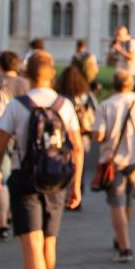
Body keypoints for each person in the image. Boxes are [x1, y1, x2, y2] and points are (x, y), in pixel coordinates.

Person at [0, 52, 82, 269]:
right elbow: (77, 147)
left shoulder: (18, 105)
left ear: (26, 74)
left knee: (31, 244)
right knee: (49, 245)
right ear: (51, 73)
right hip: (56, 179)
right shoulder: (63, 105)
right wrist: (75, 185)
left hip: (25, 178)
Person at [92, 69, 135, 263]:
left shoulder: (105, 106)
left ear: (113, 84)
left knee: (117, 204)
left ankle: (124, 247)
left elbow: (99, 136)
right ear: (131, 84)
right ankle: (122, 236)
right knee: (128, 201)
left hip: (114, 162)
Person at [0, 52, 30, 241]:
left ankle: (1, 224)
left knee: (0, 178)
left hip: (0, 132)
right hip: (21, 135)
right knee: (15, 174)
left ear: (0, 65)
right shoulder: (25, 84)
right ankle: (11, 213)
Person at [54, 67, 97, 212]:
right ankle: (77, 193)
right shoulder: (85, 96)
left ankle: (63, 194)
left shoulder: (59, 98)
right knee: (79, 166)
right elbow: (94, 112)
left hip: (62, 136)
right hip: (82, 135)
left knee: (62, 165)